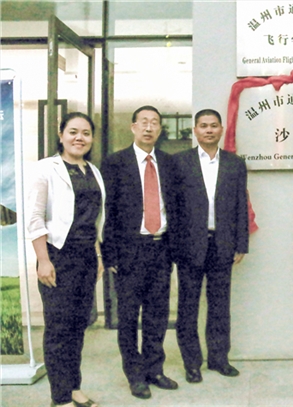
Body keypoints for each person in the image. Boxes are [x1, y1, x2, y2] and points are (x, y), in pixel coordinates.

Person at [101, 106, 179, 399]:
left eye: (154, 123)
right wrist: (109, 254)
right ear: (133, 127)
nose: (149, 127)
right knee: (128, 316)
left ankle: (154, 369)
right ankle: (134, 375)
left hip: (161, 248)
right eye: (143, 122)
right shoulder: (115, 163)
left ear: (160, 129)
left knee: (157, 314)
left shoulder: (169, 163)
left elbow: (178, 208)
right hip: (129, 251)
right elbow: (107, 211)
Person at [27, 112, 104, 407]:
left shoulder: (93, 171)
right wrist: (43, 260)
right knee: (59, 329)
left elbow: (93, 218)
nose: (79, 138)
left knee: (77, 326)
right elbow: (35, 217)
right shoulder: (46, 169)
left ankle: (74, 387)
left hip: (86, 257)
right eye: (73, 132)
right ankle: (60, 398)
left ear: (91, 138)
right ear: (61, 135)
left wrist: (97, 254)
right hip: (57, 256)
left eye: (85, 133)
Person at [174, 109, 248, 383]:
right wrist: (175, 246)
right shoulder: (180, 162)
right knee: (188, 306)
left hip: (222, 243)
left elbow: (241, 204)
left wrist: (241, 243)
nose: (208, 130)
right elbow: (174, 207)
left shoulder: (234, 163)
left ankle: (219, 359)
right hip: (189, 245)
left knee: (219, 305)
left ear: (221, 130)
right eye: (203, 126)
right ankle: (192, 363)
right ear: (195, 130)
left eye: (213, 126)